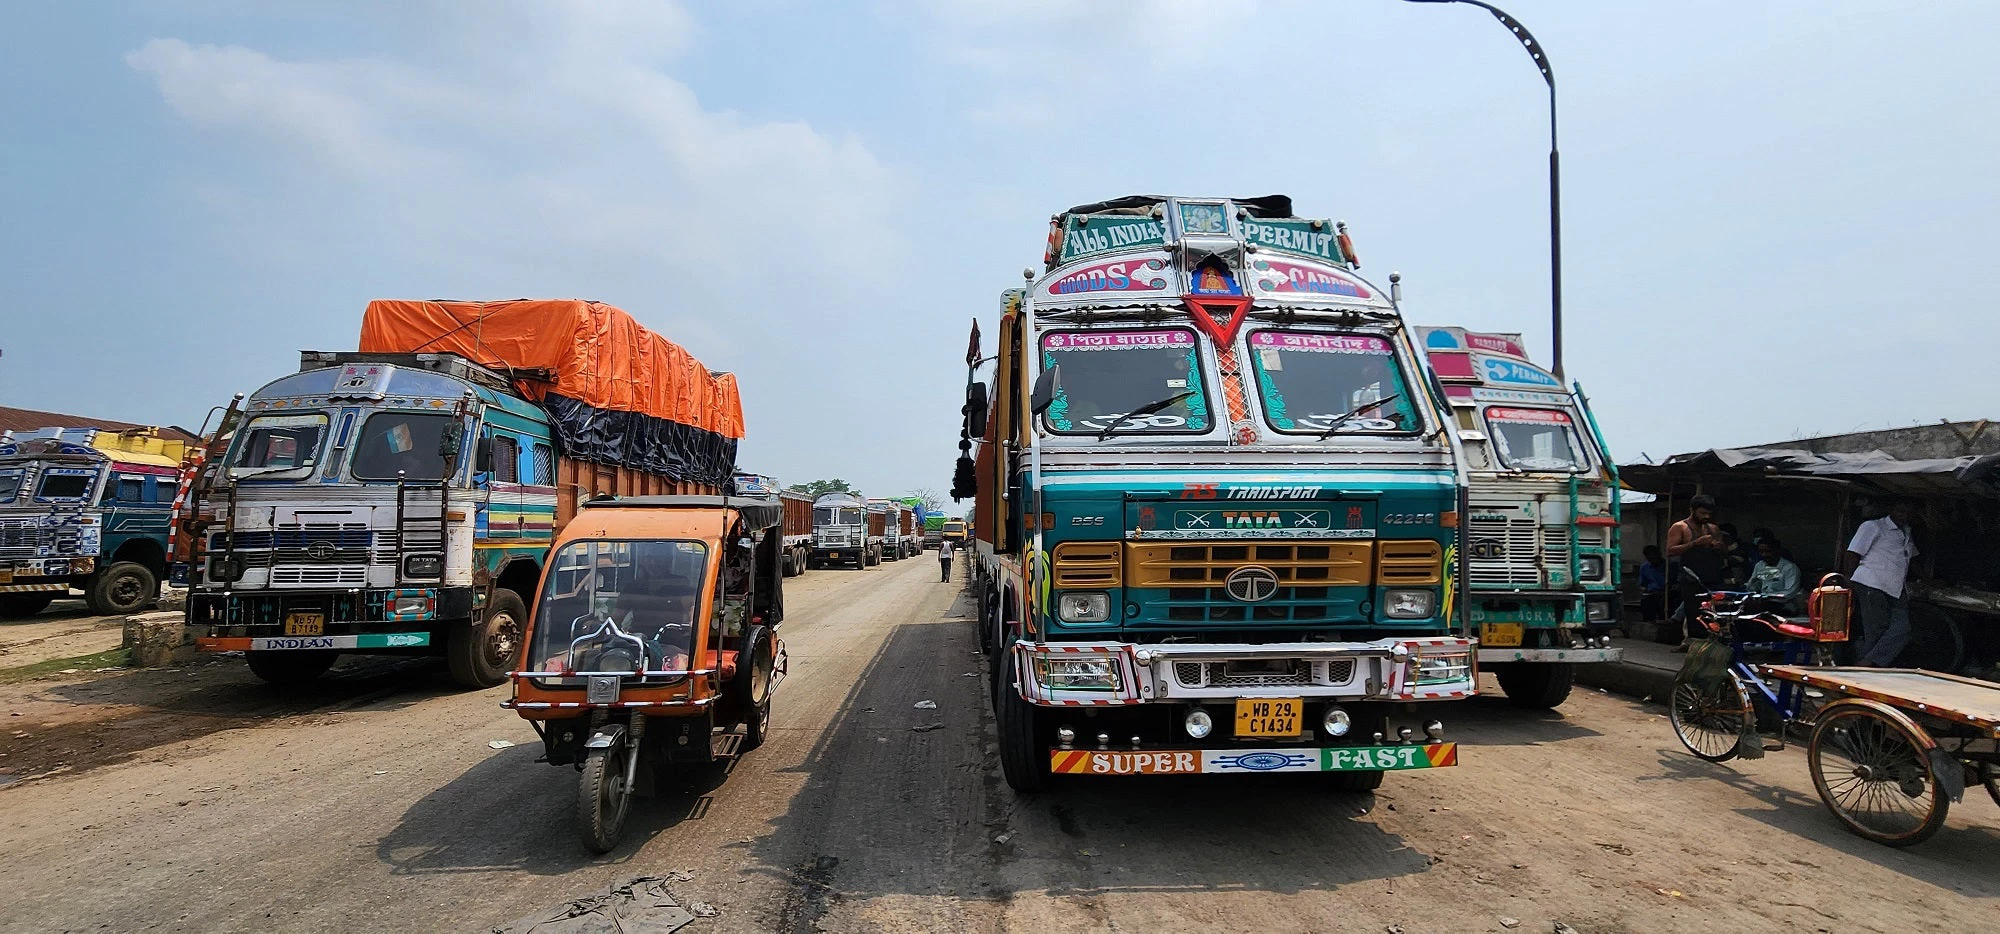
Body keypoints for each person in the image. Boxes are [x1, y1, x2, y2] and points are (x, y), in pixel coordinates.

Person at [1846, 502, 1920, 667]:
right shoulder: (1873, 527)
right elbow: (1853, 553)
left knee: (1903, 628)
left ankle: (1867, 663)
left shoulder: (1906, 531)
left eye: (1908, 512)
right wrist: (1849, 578)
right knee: (1875, 630)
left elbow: (1911, 558)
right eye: (1901, 510)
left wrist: (1927, 579)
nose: (1904, 515)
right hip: (1872, 582)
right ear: (1891, 510)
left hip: (1895, 587)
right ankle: (1866, 670)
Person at [1666, 494, 1724, 649]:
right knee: (1693, 612)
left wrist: (1717, 546)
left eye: (1708, 514)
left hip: (1711, 575)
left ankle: (1711, 643)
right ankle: (1692, 643)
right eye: (1702, 513)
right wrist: (1694, 543)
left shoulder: (1712, 528)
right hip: (1690, 577)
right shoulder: (1680, 527)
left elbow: (1721, 548)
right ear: (1692, 510)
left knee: (1713, 612)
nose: (1706, 517)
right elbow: (1670, 550)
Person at [1747, 536, 1803, 615]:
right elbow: (1751, 587)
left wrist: (1767, 597)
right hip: (1762, 603)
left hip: (1784, 605)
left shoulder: (1789, 568)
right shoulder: (1760, 565)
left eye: (1768, 551)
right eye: (1761, 552)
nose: (1764, 555)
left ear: (1777, 551)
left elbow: (1790, 593)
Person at [1638, 545, 1668, 622]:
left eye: (1655, 558)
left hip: (1665, 593)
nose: (1653, 560)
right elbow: (1642, 584)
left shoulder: (1668, 566)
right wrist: (1644, 591)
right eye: (1650, 558)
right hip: (1651, 593)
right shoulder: (1644, 567)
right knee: (1646, 603)